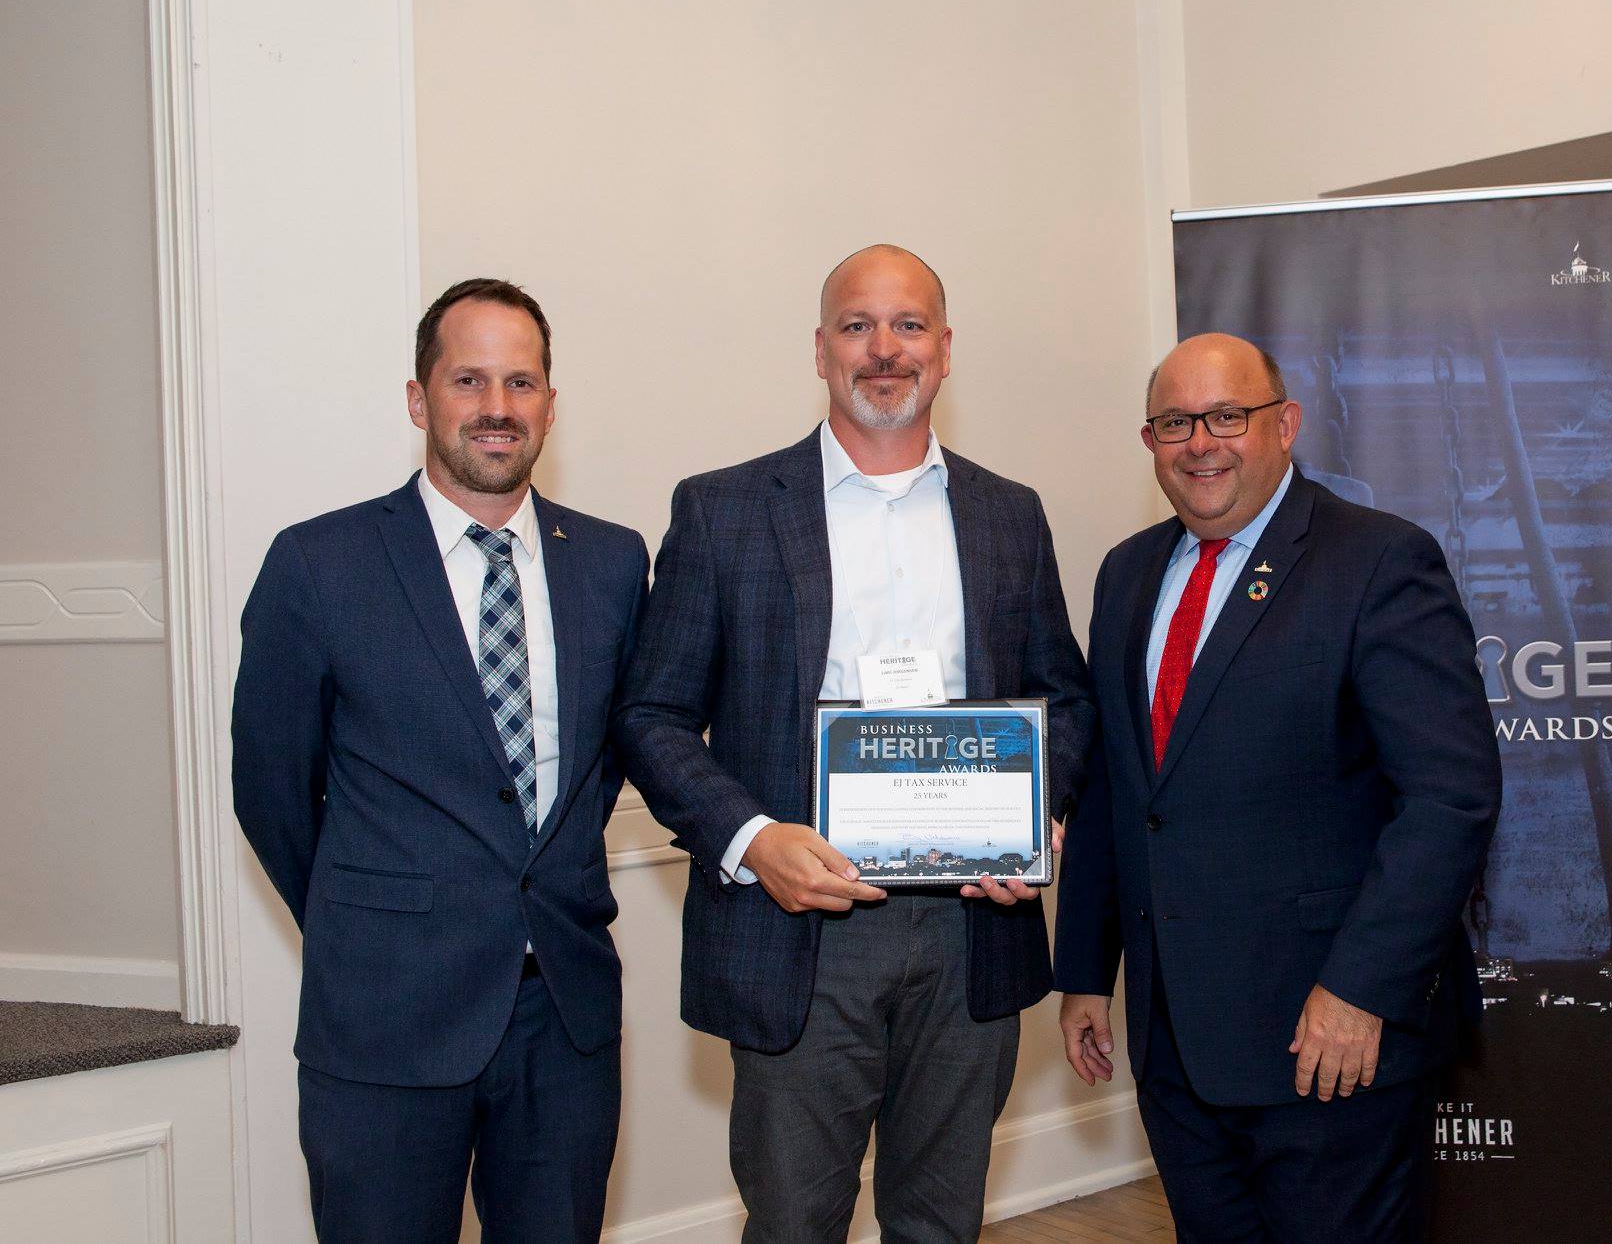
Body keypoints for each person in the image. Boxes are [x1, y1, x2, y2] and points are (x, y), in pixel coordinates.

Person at [618, 245, 1092, 1242]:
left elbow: (1065, 700)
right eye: (857, 325)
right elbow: (650, 716)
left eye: (909, 325)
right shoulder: (723, 510)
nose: (884, 350)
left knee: (940, 1219)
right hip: (802, 930)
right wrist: (751, 838)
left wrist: (1036, 819)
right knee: (793, 1220)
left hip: (972, 927)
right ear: (821, 351)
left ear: (946, 349)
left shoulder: (1010, 514)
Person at [1053, 333, 1501, 1241]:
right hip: (1175, 1039)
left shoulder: (1378, 561)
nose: (1200, 443)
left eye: (1228, 416)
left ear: (1285, 424)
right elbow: (1120, 789)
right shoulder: (1126, 574)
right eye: (1174, 422)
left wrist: (1362, 989)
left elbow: (1449, 797)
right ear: (1150, 442)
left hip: (1327, 1041)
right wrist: (1085, 973)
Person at [231, 278, 647, 1243]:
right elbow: (273, 791)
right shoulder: (318, 564)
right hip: (384, 1017)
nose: (497, 407)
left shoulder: (615, 562)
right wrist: (374, 913)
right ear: (420, 400)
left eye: (521, 381)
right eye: (469, 380)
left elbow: (601, 764)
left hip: (565, 1020)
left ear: (549, 401)